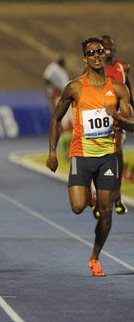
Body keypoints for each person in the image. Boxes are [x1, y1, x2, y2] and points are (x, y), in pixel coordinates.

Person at [46, 37, 132, 277]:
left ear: (105, 55)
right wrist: (52, 152)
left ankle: (94, 257)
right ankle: (89, 194)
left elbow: (132, 124)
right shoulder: (75, 88)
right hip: (82, 155)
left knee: (106, 212)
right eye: (91, 53)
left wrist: (117, 117)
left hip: (107, 157)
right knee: (77, 207)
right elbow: (55, 118)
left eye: (100, 52)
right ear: (85, 58)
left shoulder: (118, 89)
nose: (96, 56)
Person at [101, 35, 131, 216]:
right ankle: (98, 197)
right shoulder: (94, 69)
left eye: (111, 46)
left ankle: (117, 196)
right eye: (105, 47)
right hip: (100, 119)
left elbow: (128, 90)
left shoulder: (122, 67)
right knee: (99, 158)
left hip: (118, 118)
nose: (109, 49)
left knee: (117, 153)